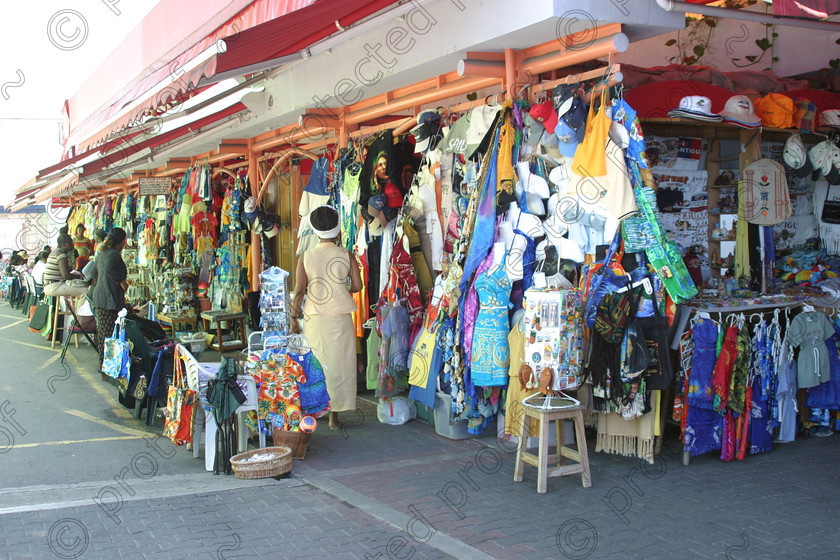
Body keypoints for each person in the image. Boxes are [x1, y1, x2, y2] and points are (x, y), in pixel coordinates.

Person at [290, 205, 362, 430]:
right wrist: (340, 287)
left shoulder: (306, 256)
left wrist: (293, 318)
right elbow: (358, 286)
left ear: (314, 229)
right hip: (340, 318)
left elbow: (299, 291)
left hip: (314, 319)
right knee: (340, 366)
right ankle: (334, 418)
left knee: (316, 365)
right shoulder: (346, 254)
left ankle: (313, 413)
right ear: (338, 228)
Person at [90, 228, 129, 366]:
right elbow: (109, 269)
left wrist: (101, 282)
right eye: (124, 241)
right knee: (109, 333)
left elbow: (93, 272)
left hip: (101, 296)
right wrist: (120, 281)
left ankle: (104, 362)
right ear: (120, 242)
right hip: (108, 298)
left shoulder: (102, 252)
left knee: (104, 331)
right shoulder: (113, 254)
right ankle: (106, 364)